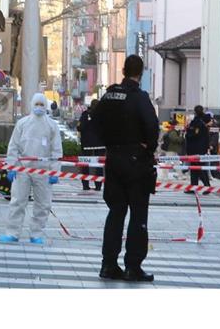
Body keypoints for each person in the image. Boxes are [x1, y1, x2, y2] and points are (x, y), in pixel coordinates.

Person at [93, 55, 159, 282]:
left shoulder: (110, 94)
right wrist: (147, 147)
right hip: (136, 161)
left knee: (115, 213)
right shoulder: (139, 97)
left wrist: (109, 143)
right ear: (141, 72)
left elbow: (95, 120)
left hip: (113, 159)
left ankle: (108, 264)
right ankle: (133, 266)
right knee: (138, 214)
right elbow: (152, 126)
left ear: (122, 69)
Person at [0, 93, 63, 244]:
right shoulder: (23, 123)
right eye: (37, 104)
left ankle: (36, 234)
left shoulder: (51, 125)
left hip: (43, 170)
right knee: (17, 201)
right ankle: (12, 233)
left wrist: (55, 171)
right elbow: (13, 146)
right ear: (32, 105)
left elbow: (56, 150)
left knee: (43, 204)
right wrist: (11, 167)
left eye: (42, 104)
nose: (39, 107)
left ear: (46, 106)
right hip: (22, 169)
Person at [77, 99, 104, 191]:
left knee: (85, 165)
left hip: (87, 144)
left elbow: (80, 127)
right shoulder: (103, 115)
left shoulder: (85, 115)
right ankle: (98, 186)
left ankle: (85, 185)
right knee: (99, 166)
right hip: (100, 145)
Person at [186, 106, 211, 190]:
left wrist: (188, 131)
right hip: (201, 147)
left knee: (198, 168)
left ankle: (206, 186)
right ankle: (194, 186)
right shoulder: (204, 121)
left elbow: (192, 134)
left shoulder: (197, 122)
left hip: (195, 147)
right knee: (197, 168)